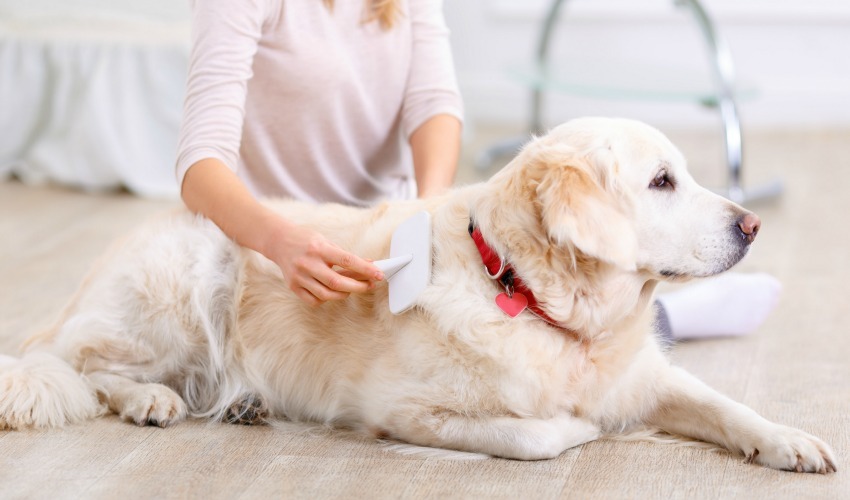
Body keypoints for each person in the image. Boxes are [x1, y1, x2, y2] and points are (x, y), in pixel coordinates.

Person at [176, 0, 779, 341]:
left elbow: (435, 104)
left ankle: (650, 317)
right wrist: (280, 240)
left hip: (387, 230)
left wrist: (426, 211)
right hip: (283, 241)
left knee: (515, 292)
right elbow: (200, 165)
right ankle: (668, 320)